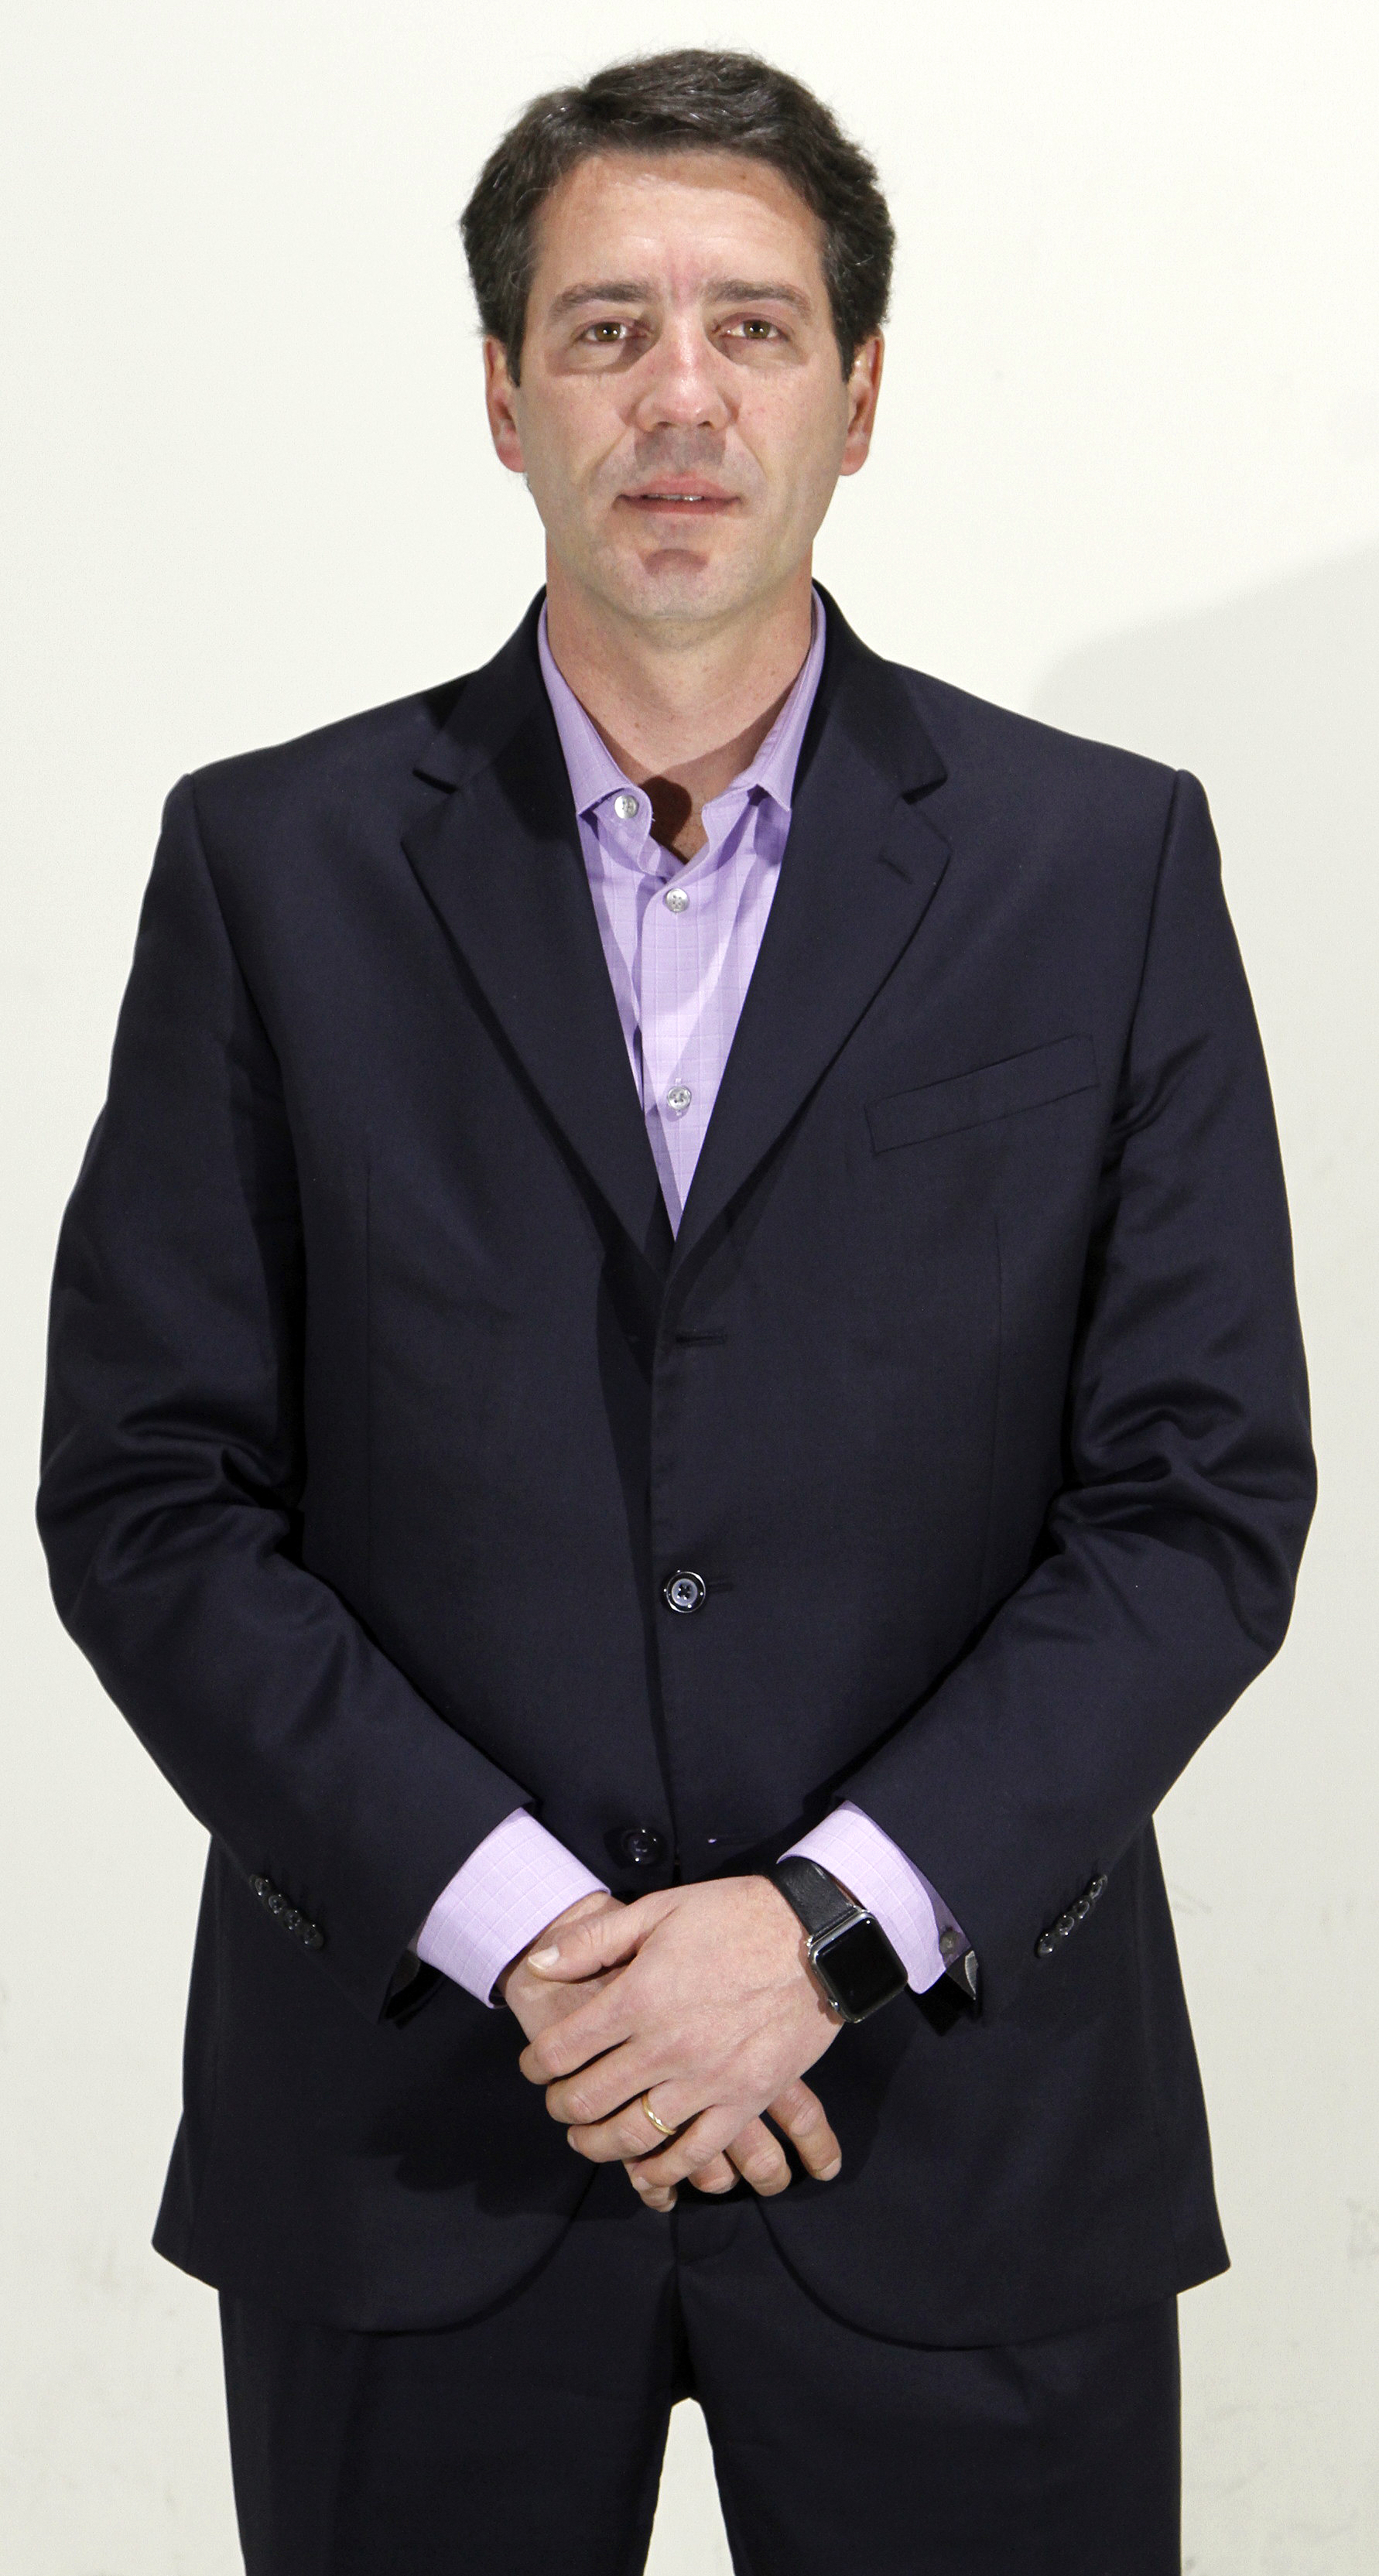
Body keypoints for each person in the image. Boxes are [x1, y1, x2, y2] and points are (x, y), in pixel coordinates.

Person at [37, 46, 1315, 2576]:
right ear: (501, 394)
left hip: (965, 2133)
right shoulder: (271, 870)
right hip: (419, 2131)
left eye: (754, 325)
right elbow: (151, 1496)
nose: (683, 395)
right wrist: (530, 1929)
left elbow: (1200, 1499)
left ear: (864, 391)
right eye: (606, 329)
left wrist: (824, 1925)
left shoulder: (1104, 865)